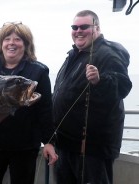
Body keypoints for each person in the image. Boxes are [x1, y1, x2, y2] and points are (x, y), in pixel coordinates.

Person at [52, 10, 132, 184]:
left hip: (91, 150)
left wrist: (100, 80)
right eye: (75, 27)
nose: (78, 30)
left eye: (84, 27)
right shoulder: (73, 55)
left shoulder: (108, 53)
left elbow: (123, 86)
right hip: (65, 145)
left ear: (97, 28)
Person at [0, 22, 58, 184]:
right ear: (1, 44)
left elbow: (45, 110)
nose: (11, 43)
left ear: (26, 44)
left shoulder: (39, 71)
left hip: (25, 146)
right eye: (7, 39)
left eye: (18, 39)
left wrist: (49, 142)